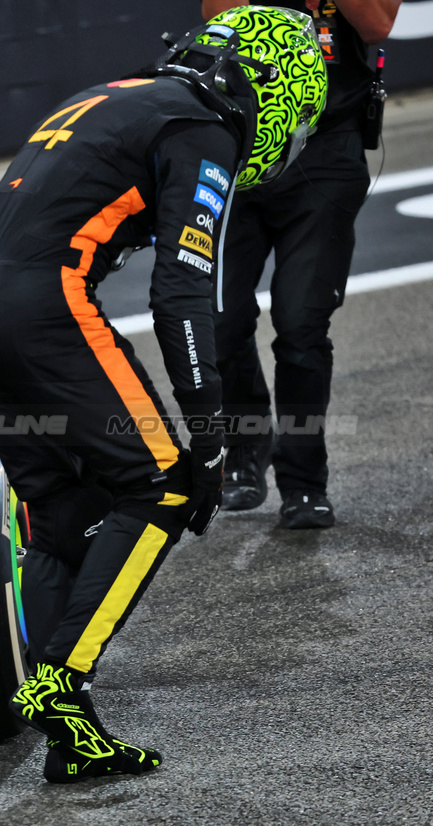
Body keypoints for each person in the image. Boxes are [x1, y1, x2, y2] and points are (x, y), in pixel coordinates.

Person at [0, 7, 326, 782]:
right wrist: (210, 436)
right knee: (163, 484)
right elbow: (184, 294)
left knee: (63, 518)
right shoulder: (200, 129)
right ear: (274, 87)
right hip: (44, 304)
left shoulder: (119, 93)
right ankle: (60, 680)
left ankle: (68, 734)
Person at [203, 0, 400, 529]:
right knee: (219, 321)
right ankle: (246, 449)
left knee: (300, 327)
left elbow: (378, 25)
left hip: (328, 151)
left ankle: (304, 483)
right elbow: (218, 18)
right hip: (245, 147)